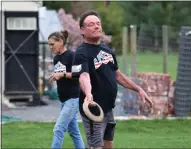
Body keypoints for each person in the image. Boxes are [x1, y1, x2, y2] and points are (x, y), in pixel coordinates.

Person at [72, 11, 153, 149]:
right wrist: (88, 93)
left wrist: (138, 88)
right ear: (82, 30)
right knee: (95, 146)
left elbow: (118, 75)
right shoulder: (81, 53)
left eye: (98, 24)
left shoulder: (107, 50)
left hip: (108, 107)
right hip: (93, 108)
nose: (96, 27)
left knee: (108, 144)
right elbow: (83, 76)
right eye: (91, 24)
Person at [48, 30, 85, 149]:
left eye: (52, 44)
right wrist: (55, 76)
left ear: (60, 42)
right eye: (49, 44)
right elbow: (61, 74)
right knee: (74, 132)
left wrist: (62, 75)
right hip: (63, 101)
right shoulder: (56, 59)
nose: (50, 47)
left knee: (58, 129)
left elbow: (78, 75)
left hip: (72, 99)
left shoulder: (72, 56)